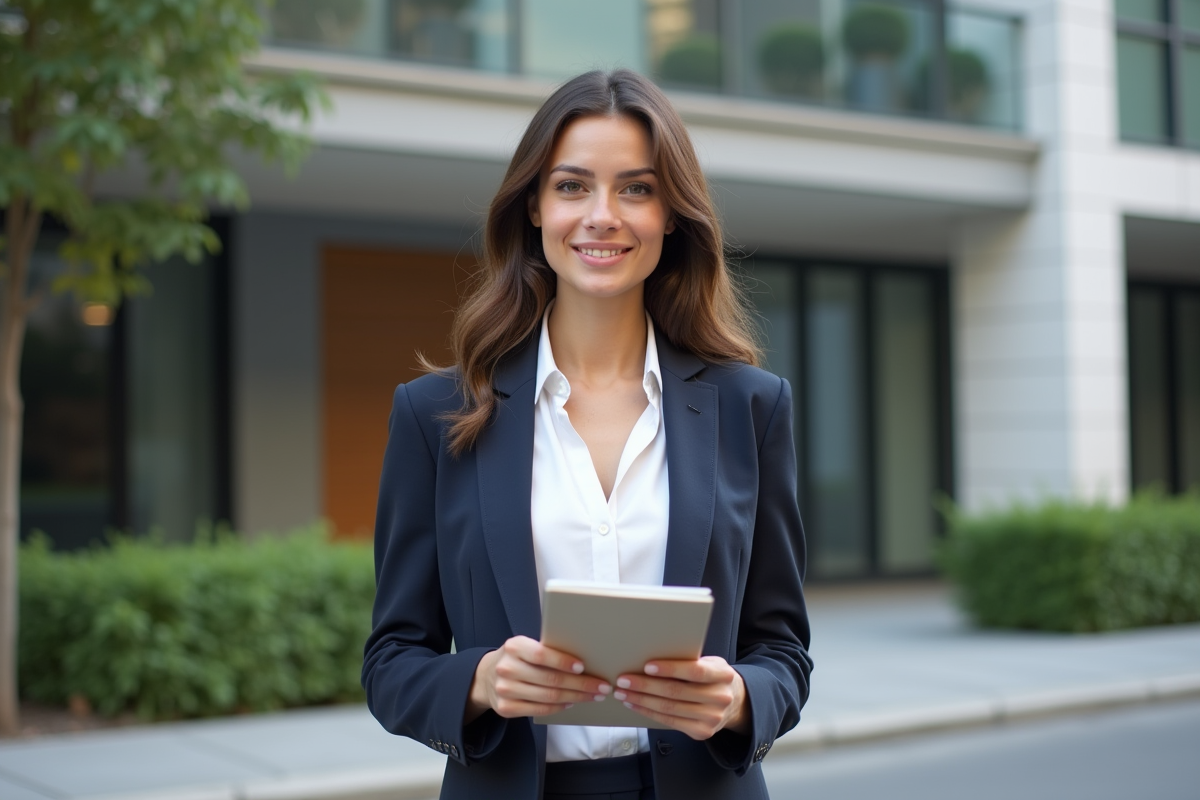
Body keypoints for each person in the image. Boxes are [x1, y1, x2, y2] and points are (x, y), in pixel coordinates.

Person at [362, 69, 812, 800]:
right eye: (572, 186)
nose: (602, 215)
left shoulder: (751, 408)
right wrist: (480, 681)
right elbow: (391, 663)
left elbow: (784, 651)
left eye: (636, 188)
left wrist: (737, 700)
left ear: (672, 215)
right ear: (534, 208)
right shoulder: (434, 413)